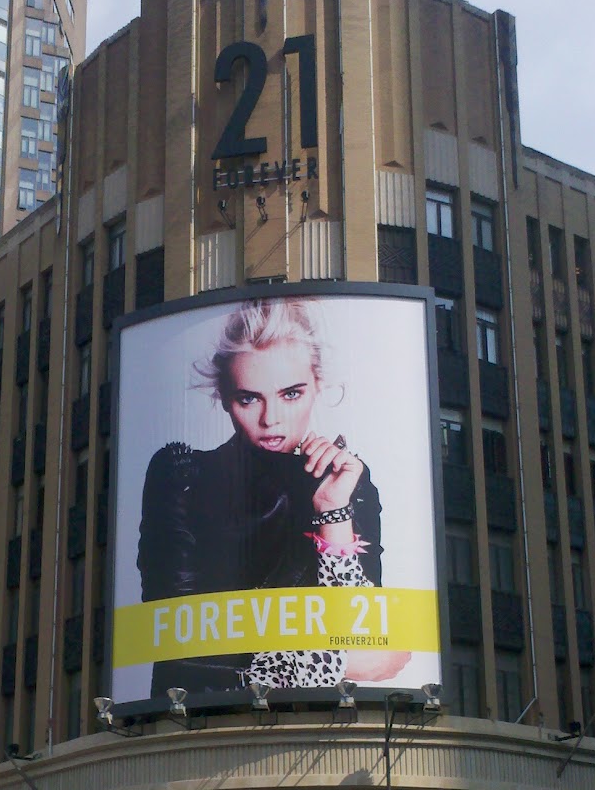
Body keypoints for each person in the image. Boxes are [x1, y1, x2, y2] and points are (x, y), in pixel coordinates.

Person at [137, 296, 410, 697]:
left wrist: (332, 511)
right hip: (198, 727)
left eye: (291, 394)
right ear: (225, 397)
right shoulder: (182, 476)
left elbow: (361, 632)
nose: (270, 419)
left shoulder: (347, 482)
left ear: (318, 385)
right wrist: (333, 662)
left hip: (316, 729)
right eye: (249, 398)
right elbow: (175, 638)